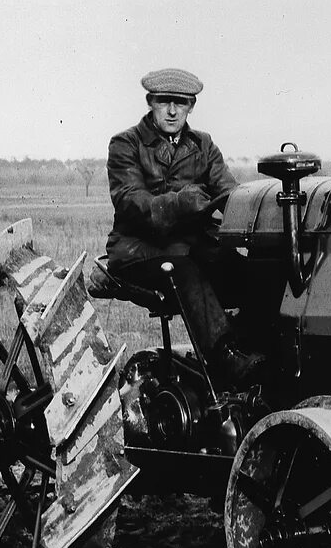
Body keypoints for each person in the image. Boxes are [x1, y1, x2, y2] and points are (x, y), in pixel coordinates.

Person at [104, 67, 266, 387]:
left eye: (181, 102)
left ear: (192, 105)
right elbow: (129, 201)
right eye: (165, 102)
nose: (173, 110)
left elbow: (227, 191)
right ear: (151, 101)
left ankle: (254, 348)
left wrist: (259, 206)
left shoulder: (203, 145)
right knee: (187, 272)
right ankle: (226, 358)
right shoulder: (126, 144)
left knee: (253, 272)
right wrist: (178, 203)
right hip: (139, 250)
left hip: (191, 247)